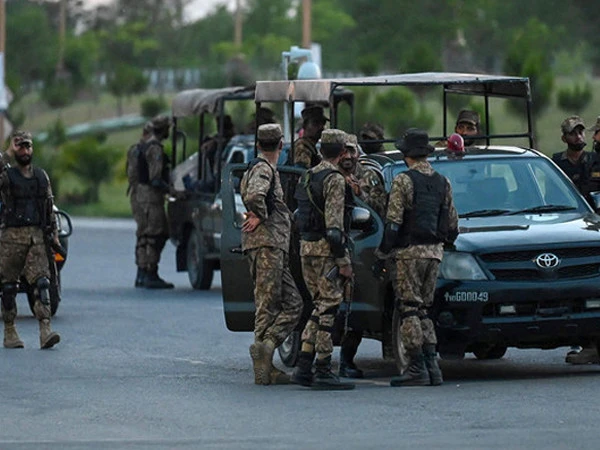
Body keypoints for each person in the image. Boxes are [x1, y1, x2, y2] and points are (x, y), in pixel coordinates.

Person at [380, 128, 458, 386]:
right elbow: (453, 225)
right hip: (434, 253)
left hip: (409, 252)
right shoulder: (443, 182)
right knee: (424, 310)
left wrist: (383, 252)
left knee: (409, 309)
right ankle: (432, 366)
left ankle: (416, 366)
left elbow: (393, 224)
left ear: (406, 154)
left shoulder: (403, 181)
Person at [291, 129, 355, 390]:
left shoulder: (307, 176)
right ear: (342, 152)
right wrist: (343, 262)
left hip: (306, 248)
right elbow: (334, 229)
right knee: (329, 307)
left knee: (319, 306)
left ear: (320, 150)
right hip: (327, 251)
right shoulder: (334, 179)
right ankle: (324, 368)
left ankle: (304, 363)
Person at [240, 123, 303, 385]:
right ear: (281, 144)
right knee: (267, 304)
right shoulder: (263, 168)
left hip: (274, 246)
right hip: (266, 245)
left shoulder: (262, 167)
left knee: (294, 303)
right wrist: (261, 215)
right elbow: (255, 195)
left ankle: (266, 347)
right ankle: (263, 364)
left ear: (258, 144)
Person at [0, 130, 60, 349]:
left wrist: (54, 235)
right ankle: (10, 331)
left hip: (36, 237)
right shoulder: (7, 177)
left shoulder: (41, 176)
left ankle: (45, 330)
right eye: (20, 146)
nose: (24, 151)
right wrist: (8, 152)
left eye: (28, 146)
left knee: (42, 282)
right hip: (11, 238)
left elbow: (48, 207)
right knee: (9, 287)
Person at [552, 116, 600, 365]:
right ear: (564, 137)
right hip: (569, 225)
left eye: (582, 132)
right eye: (573, 133)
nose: (579, 137)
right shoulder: (557, 163)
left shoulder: (594, 160)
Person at [136, 115, 174, 289]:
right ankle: (151, 272)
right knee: (156, 234)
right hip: (152, 198)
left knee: (144, 234)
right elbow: (155, 178)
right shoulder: (155, 148)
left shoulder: (144, 145)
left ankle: (142, 272)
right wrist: (172, 190)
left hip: (142, 196)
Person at [126, 121, 154, 287]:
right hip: (144, 194)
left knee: (143, 234)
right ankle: (145, 271)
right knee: (148, 234)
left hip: (137, 194)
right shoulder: (147, 150)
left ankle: (141, 272)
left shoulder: (135, 149)